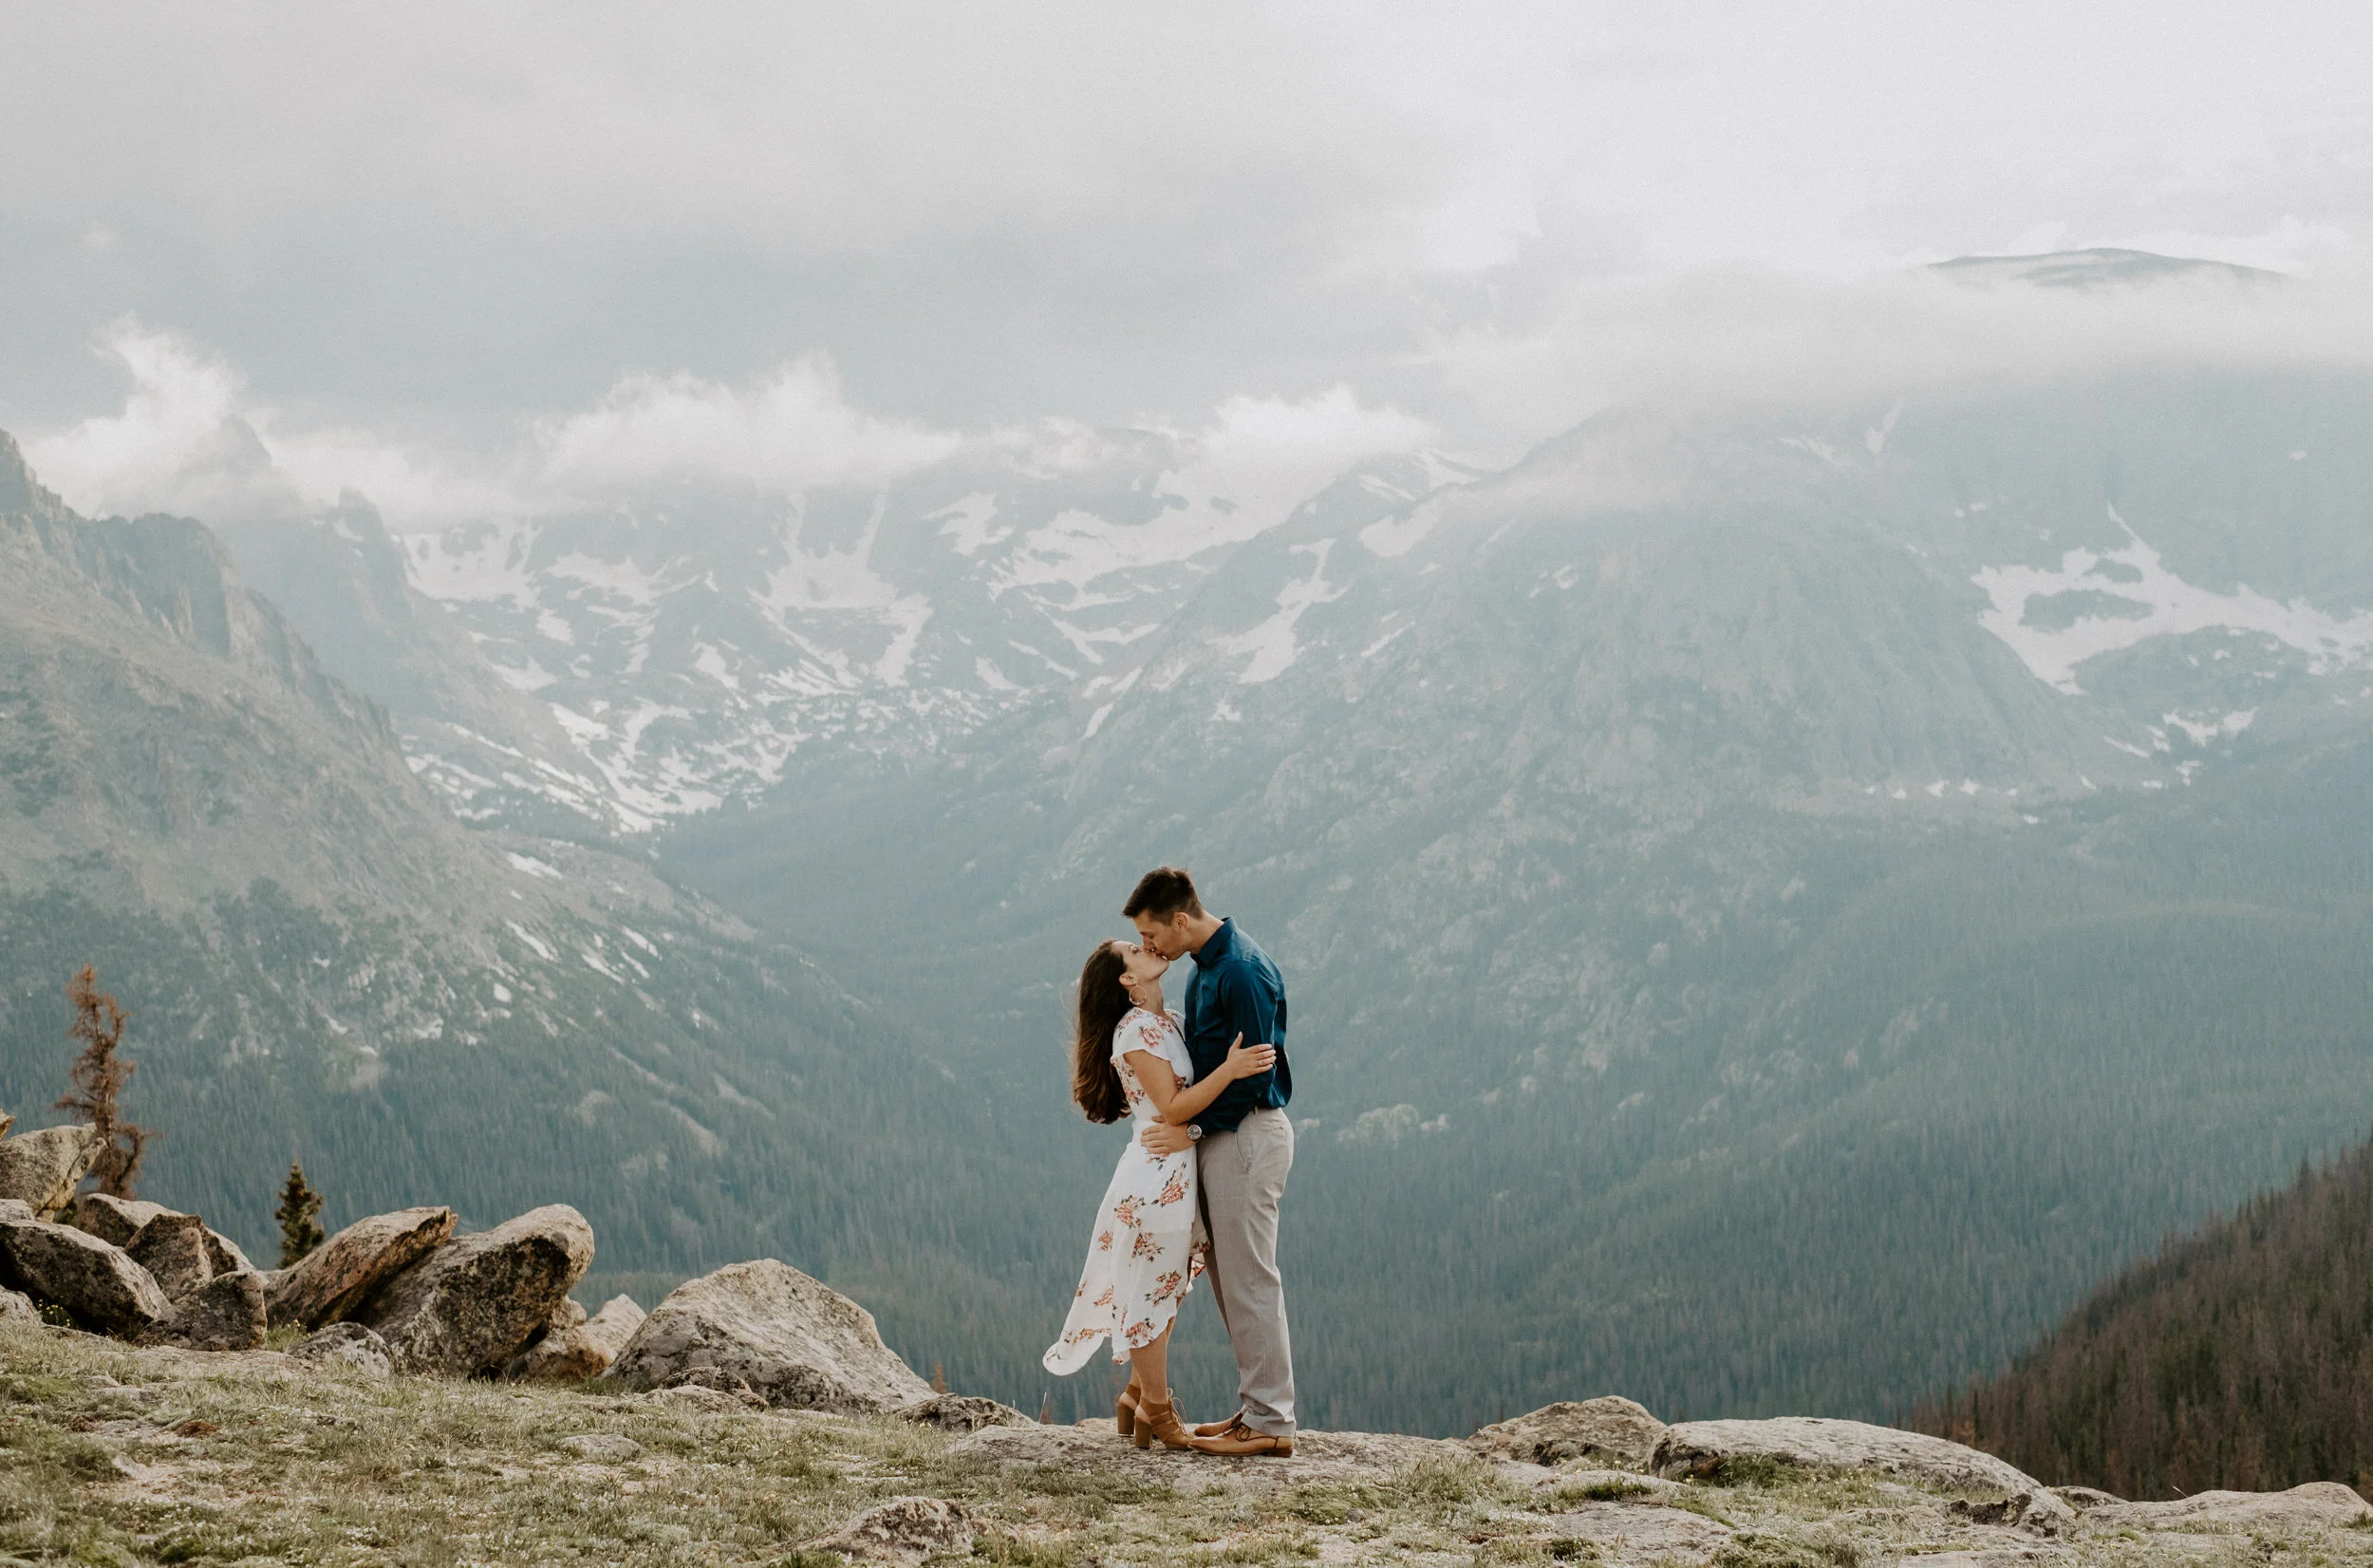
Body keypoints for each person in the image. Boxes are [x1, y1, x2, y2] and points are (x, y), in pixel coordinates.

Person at [1042, 936, 1277, 1449]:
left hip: (1175, 1168)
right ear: (1128, 980)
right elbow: (1172, 1108)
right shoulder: (1134, 1033)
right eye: (1134, 949)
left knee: (1165, 1286)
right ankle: (1157, 1407)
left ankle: (1134, 1394)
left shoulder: (1165, 1021)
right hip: (1156, 1175)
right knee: (1152, 1289)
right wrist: (1232, 1070)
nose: (1147, 946)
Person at [1126, 866, 1298, 1458]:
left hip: (1246, 1136)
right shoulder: (1208, 965)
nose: (1148, 946)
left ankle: (1272, 1422)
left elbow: (1255, 1071)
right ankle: (1256, 1408)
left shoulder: (1241, 970)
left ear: (1180, 920)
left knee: (1251, 1279)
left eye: (1151, 935)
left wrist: (1192, 1128)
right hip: (1226, 1138)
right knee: (1233, 1279)